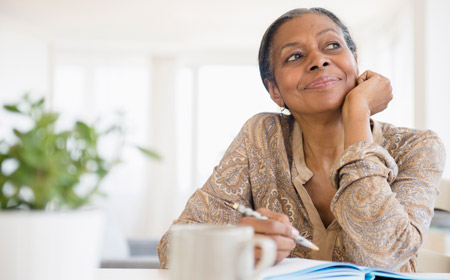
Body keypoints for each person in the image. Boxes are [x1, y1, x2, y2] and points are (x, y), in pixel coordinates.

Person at [157, 7, 446, 272]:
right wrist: (238, 245)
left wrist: (358, 112)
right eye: (295, 56)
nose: (319, 60)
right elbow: (173, 248)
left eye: (332, 46)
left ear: (355, 63)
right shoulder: (260, 136)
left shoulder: (417, 147)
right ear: (275, 91)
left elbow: (384, 255)